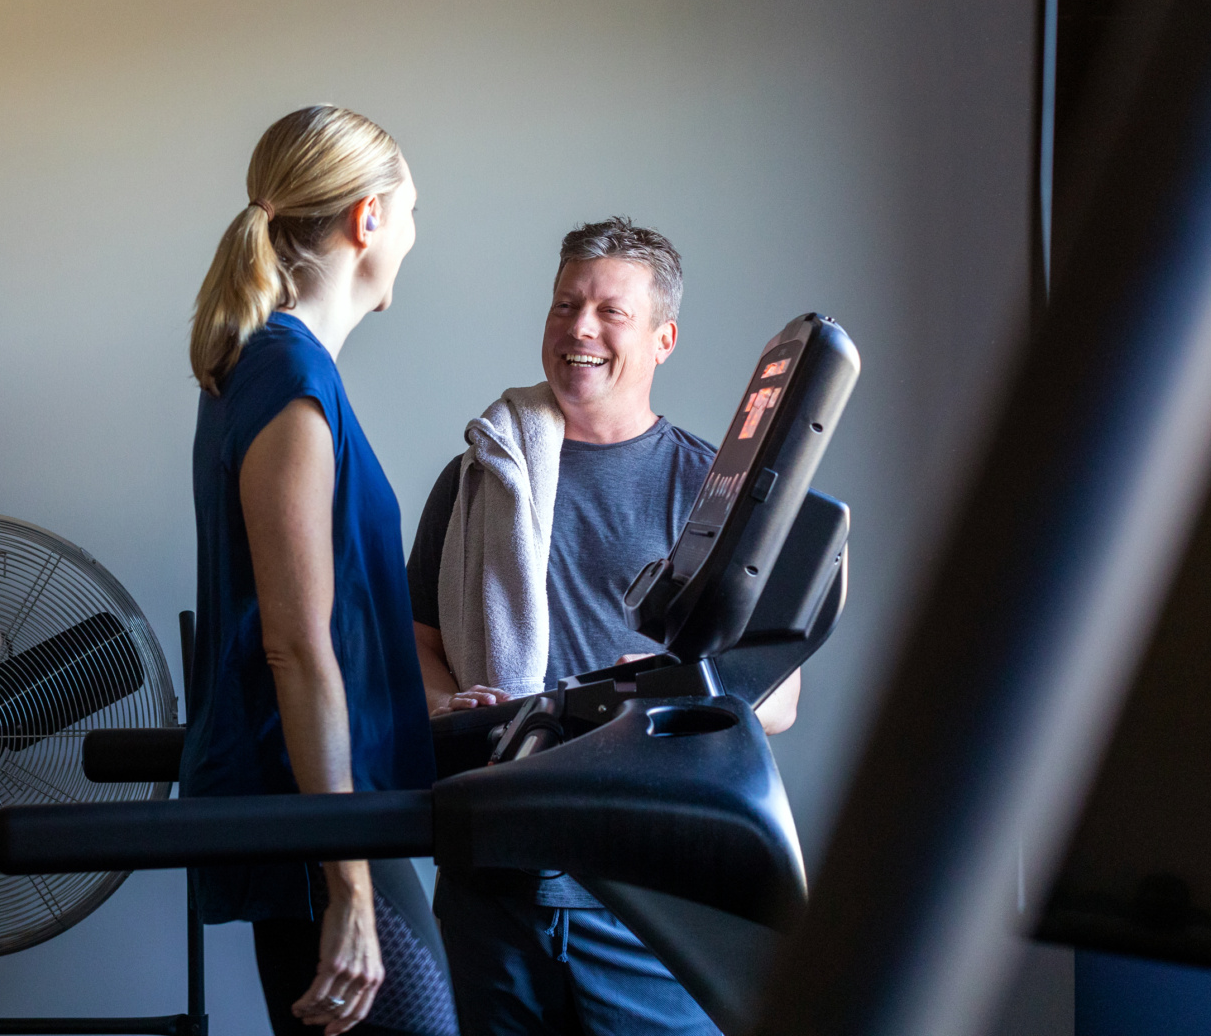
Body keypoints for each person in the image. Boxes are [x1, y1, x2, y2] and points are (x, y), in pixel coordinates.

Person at [406, 217, 802, 1036]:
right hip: (493, 872)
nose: (579, 329)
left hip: (645, 885)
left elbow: (781, 695)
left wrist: (665, 698)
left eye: (609, 312)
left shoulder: (714, 491)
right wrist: (449, 704)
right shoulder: (478, 475)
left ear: (663, 338)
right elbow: (419, 646)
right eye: (564, 306)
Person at [181, 105, 454, 1036]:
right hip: (321, 829)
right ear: (367, 219)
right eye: (410, 214)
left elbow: (321, 627)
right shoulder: (289, 384)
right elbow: (295, 650)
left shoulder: (272, 371)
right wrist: (349, 888)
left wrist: (418, 704)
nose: (415, 239)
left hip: (329, 806)